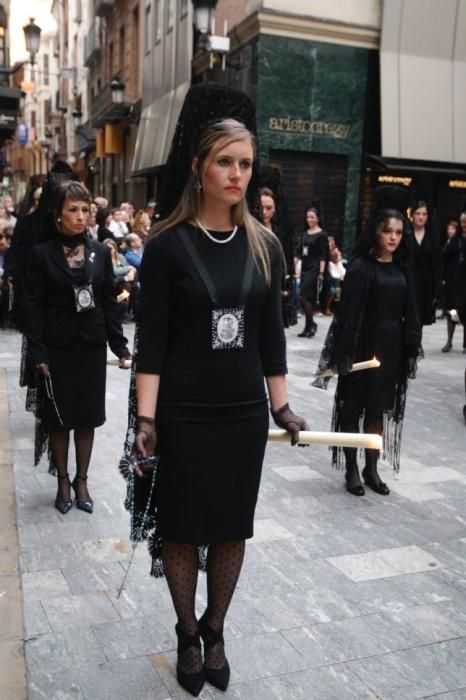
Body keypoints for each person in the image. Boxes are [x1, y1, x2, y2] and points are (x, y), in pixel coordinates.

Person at [124, 84, 308, 697]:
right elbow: (150, 347)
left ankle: (216, 628)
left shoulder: (266, 245)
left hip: (240, 416)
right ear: (199, 166)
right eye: (224, 161)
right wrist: (145, 422)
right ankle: (184, 631)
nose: (236, 174)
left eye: (245, 163)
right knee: (178, 528)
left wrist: (280, 404)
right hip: (179, 413)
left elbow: (271, 340)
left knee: (231, 528)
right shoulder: (166, 247)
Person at [23, 181, 131, 516]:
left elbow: (109, 302)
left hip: (91, 348)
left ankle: (82, 481)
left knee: (87, 418)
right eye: (73, 210)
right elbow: (31, 306)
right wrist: (38, 352)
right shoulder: (41, 254)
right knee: (59, 420)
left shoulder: (100, 251)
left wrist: (121, 347)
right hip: (57, 349)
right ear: (57, 214)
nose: (81, 216)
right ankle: (62, 482)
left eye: (86, 210)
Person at [314, 186, 420, 496]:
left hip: (391, 348)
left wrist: (411, 349)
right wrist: (343, 355)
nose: (393, 237)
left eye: (399, 232)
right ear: (376, 231)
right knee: (353, 409)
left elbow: (410, 312)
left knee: (377, 411)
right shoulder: (361, 267)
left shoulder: (403, 269)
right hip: (362, 347)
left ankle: (371, 468)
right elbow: (347, 316)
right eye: (387, 230)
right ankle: (350, 468)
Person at [408, 199, 441, 352]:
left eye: (424, 214)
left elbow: (436, 262)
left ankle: (416, 344)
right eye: (418, 213)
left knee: (420, 315)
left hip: (426, 282)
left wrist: (437, 287)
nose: (421, 217)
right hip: (409, 279)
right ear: (412, 215)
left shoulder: (432, 236)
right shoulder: (406, 233)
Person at [260, 186, 295, 326]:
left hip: (276, 280)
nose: (265, 212)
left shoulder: (279, 231)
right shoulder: (249, 228)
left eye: (269, 208)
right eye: (262, 207)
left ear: (275, 209)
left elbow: (286, 256)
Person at [295, 206, 327, 337]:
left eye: (312, 217)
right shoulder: (304, 234)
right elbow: (299, 252)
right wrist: (292, 266)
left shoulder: (322, 234)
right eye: (308, 217)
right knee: (306, 298)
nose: (309, 219)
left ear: (318, 218)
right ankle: (310, 326)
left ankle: (310, 325)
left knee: (303, 296)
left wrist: (321, 273)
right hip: (304, 268)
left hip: (314, 269)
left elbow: (323, 255)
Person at [441, 215, 466, 352]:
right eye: (462, 221)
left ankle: (465, 344)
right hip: (453, 281)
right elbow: (444, 256)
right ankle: (449, 341)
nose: (464, 224)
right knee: (452, 312)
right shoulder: (455, 239)